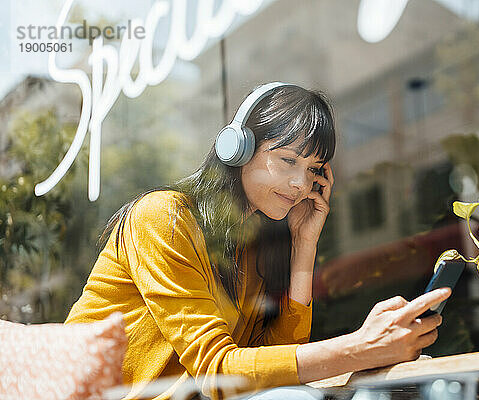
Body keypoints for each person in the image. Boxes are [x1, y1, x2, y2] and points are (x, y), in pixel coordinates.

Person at [65, 83, 450, 399]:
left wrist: (304, 244)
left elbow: (273, 363)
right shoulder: (164, 216)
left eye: (313, 169)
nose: (301, 184)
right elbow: (216, 371)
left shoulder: (251, 247)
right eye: (287, 161)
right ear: (238, 147)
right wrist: (357, 348)